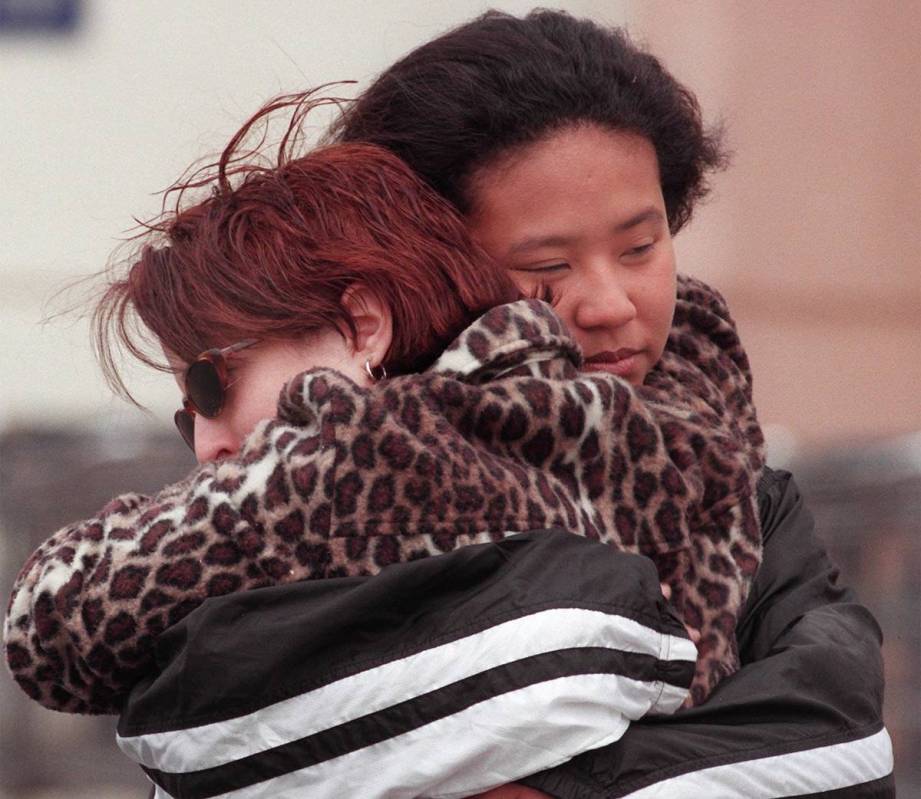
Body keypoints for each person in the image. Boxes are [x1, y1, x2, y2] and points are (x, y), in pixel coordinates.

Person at [4, 90, 766, 797]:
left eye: (213, 384)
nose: (207, 445)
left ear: (363, 326)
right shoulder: (634, 436)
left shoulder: (387, 457)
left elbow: (53, 624)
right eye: (186, 415)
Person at [326, 8, 894, 798]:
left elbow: (843, 739)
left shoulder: (746, 499)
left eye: (639, 246)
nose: (609, 303)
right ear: (425, 275)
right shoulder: (334, 492)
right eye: (546, 265)